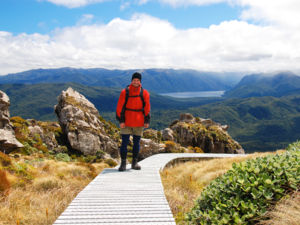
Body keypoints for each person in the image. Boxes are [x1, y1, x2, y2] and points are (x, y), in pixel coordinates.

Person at [116, 72, 150, 171]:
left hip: (139, 121)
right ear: (131, 81)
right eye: (134, 80)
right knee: (124, 143)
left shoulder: (144, 93)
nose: (136, 82)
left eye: (138, 80)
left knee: (136, 143)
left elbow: (147, 107)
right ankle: (123, 164)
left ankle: (134, 163)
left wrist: (147, 120)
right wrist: (121, 120)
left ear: (140, 81)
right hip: (126, 121)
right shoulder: (125, 92)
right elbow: (119, 107)